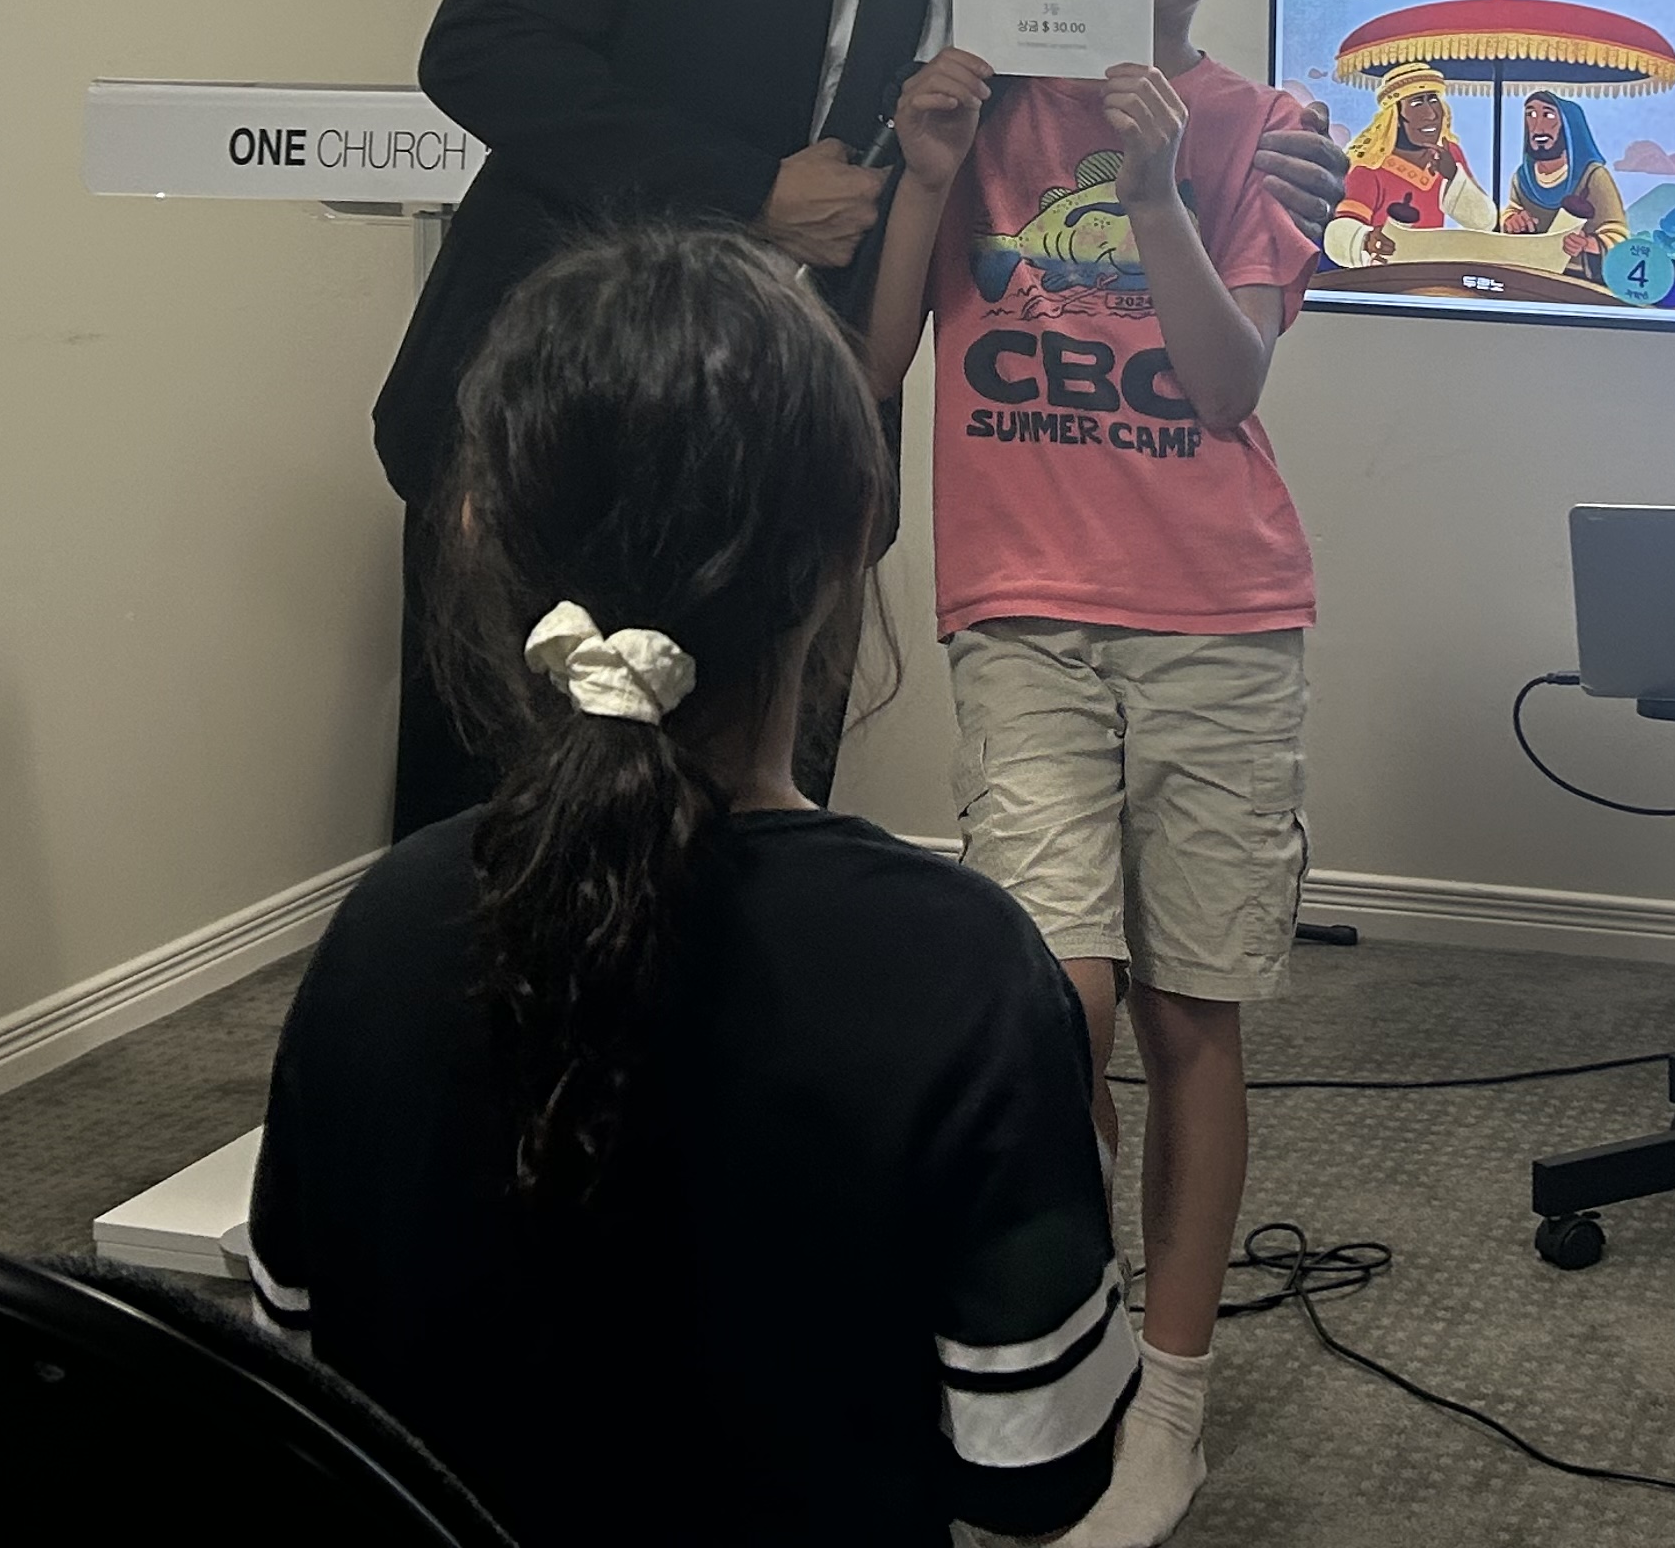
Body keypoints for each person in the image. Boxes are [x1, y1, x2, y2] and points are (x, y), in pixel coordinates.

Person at [370, 0, 1345, 832]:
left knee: (758, 845)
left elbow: (1100, 96)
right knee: (494, 837)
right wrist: (747, 193)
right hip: (559, 398)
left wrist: (1281, 155)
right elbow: (482, 47)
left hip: (808, 429)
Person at [251, 222, 1134, 1547]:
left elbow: (302, 1380)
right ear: (853, 536)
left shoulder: (380, 930)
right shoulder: (966, 974)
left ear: (481, 528)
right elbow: (1041, 1473)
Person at [861, 0, 1316, 1548]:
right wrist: (924, 172)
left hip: (1218, 614)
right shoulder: (977, 95)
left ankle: (1173, 1399)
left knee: (1194, 1008)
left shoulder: (1266, 123)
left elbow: (1226, 381)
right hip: (1024, 610)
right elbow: (877, 362)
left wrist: (1154, 188)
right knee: (1063, 1010)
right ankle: (1087, 1340)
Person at [1321, 60, 1493, 267]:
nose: (1431, 114)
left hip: (1434, 271)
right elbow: (1340, 232)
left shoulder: (1449, 153)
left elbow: (1484, 222)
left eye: (1433, 100)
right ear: (1396, 117)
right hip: (1386, 276)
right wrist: (1365, 240)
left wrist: (1453, 176)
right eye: (1417, 103)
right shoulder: (1370, 167)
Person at [1496, 87, 1634, 276]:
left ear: (1569, 126)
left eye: (1548, 116)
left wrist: (1587, 244)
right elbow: (1512, 210)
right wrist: (1511, 220)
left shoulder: (1592, 176)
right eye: (1531, 115)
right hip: (1528, 272)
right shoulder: (1522, 178)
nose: (1538, 128)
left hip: (1576, 277)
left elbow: (1618, 234)